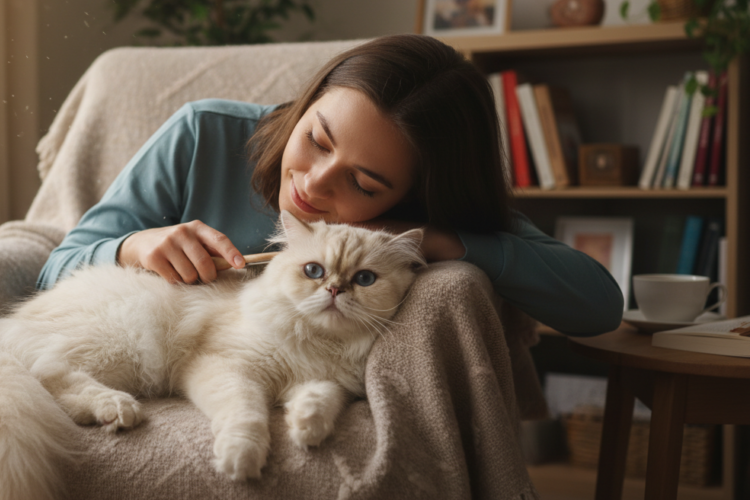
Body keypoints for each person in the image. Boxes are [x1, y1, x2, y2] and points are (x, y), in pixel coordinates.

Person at [36, 35, 623, 337]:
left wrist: (447, 242)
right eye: (317, 138)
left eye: (364, 183)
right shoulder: (203, 135)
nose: (312, 185)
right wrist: (132, 248)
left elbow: (598, 305)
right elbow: (54, 270)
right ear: (311, 98)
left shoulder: (424, 212)